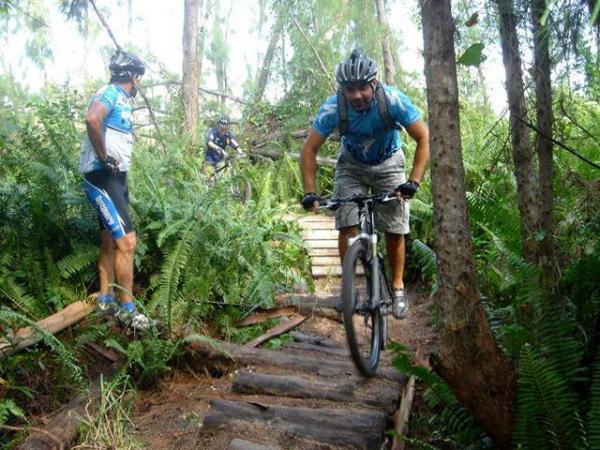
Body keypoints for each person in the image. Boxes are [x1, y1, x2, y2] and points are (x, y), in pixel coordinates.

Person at [300, 49, 430, 320]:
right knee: (346, 224)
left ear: (374, 83)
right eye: (350, 89)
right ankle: (348, 287)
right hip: (351, 166)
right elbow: (309, 149)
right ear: (342, 90)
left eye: (362, 88)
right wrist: (309, 192)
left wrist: (413, 182)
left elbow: (424, 137)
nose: (357, 95)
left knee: (394, 228)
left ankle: (397, 286)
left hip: (389, 163)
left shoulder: (393, 100)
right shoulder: (333, 108)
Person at [79, 50, 150, 331]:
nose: (140, 83)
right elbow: (93, 119)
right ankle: (128, 311)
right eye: (139, 77)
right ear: (132, 76)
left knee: (110, 239)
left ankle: (106, 299)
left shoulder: (121, 99)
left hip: (117, 177)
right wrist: (104, 156)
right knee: (128, 243)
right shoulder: (109, 93)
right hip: (103, 176)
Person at [203, 114, 244, 179]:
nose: (223, 129)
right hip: (209, 160)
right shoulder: (212, 132)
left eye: (225, 127)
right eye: (221, 127)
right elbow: (209, 142)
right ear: (218, 125)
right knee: (209, 181)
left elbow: (233, 142)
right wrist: (221, 150)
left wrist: (240, 152)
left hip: (220, 160)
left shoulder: (228, 134)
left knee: (222, 179)